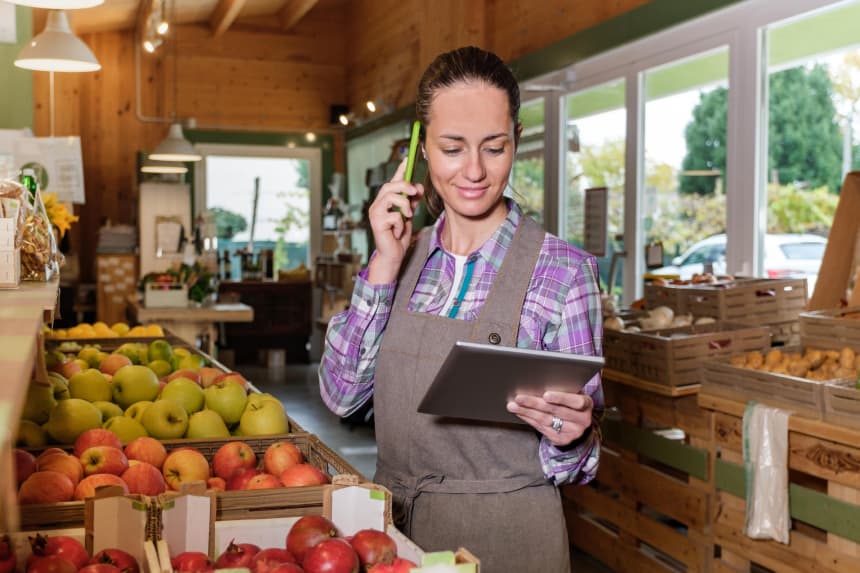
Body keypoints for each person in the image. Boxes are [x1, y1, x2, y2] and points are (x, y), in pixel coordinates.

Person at [320, 46, 603, 573]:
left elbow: (576, 465)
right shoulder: (400, 257)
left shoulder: (565, 273)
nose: (473, 171)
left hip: (510, 544)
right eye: (452, 148)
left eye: (493, 148)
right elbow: (341, 398)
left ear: (515, 140)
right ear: (421, 148)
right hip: (392, 543)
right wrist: (383, 262)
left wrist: (576, 436)